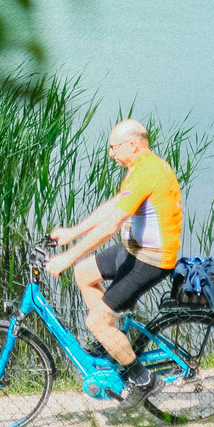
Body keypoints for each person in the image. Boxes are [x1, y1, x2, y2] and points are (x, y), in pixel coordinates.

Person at [46, 118, 184, 407]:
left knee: (96, 321)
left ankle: (143, 379)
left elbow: (111, 225)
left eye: (113, 147)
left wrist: (68, 256)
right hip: (135, 248)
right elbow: (115, 206)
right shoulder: (145, 166)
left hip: (151, 259)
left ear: (132, 145)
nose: (110, 153)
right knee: (83, 272)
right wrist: (73, 232)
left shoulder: (146, 171)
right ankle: (114, 343)